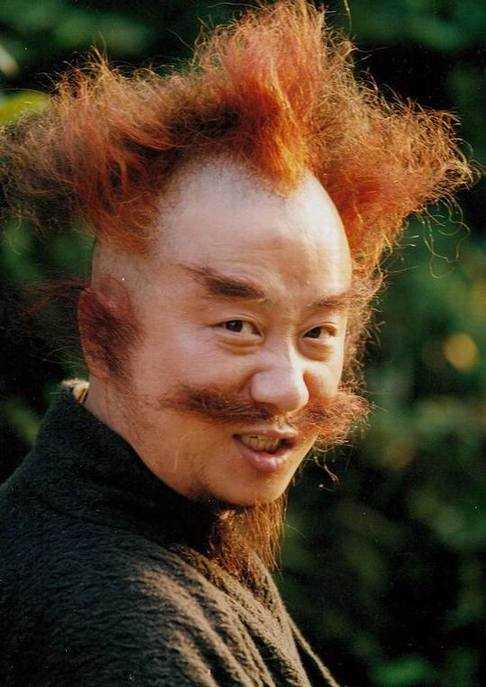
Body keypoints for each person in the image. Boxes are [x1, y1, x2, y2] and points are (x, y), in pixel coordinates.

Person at [0, 1, 472, 685]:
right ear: (101, 334)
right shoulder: (120, 626)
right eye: (237, 326)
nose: (287, 389)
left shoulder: (178, 529)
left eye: (318, 332)